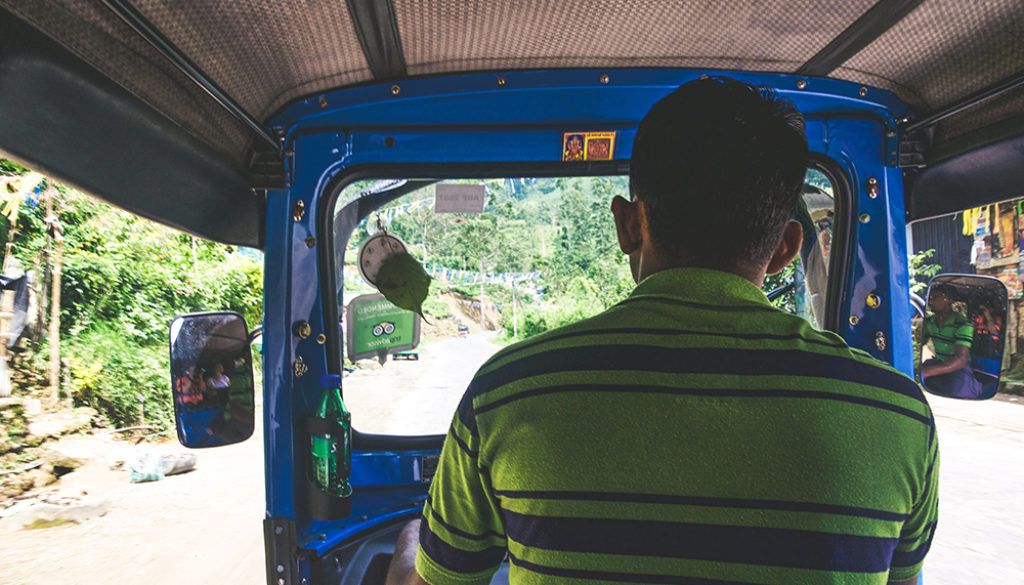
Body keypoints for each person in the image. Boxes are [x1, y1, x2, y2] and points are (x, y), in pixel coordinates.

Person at [386, 77, 937, 585]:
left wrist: (409, 546)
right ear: (787, 249)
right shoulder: (900, 415)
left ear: (628, 224)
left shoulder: (507, 392)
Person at [921, 283, 983, 398]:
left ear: (949, 300)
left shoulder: (963, 324)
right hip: (938, 362)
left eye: (935, 297)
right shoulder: (929, 322)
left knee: (958, 391)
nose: (930, 302)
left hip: (958, 367)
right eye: (929, 298)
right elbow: (921, 342)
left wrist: (927, 372)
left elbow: (960, 359)